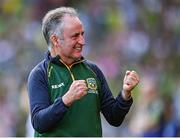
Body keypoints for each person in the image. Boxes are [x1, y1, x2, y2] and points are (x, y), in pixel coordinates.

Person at [27, 7, 140, 137]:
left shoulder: (93, 71)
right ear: (55, 40)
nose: (82, 41)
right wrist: (66, 100)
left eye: (82, 34)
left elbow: (114, 118)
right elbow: (39, 123)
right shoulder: (40, 74)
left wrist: (125, 94)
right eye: (75, 36)